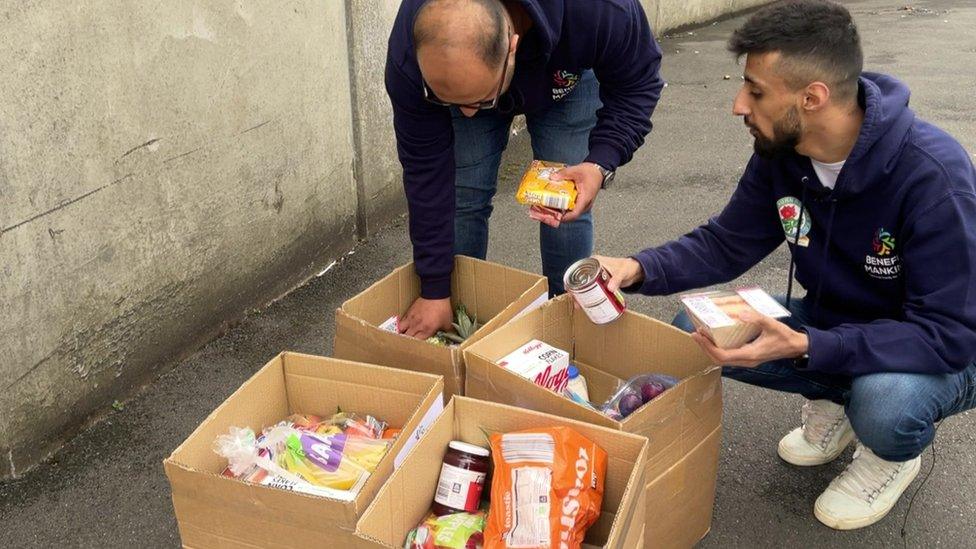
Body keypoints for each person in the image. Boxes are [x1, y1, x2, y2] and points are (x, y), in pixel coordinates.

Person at [596, 0, 976, 530]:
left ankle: (890, 455)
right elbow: (726, 243)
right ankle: (837, 399)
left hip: (936, 349)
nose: (737, 104)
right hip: (837, 325)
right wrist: (635, 268)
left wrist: (809, 345)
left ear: (812, 98)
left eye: (754, 90)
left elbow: (949, 335)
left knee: (887, 400)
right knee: (696, 325)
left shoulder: (934, 178)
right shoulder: (783, 154)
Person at [385, 0, 664, 338]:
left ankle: (568, 325)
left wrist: (599, 163)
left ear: (513, 45)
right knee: (465, 196)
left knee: (565, 200)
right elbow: (426, 173)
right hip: (474, 75)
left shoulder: (599, 10)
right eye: (448, 101)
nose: (468, 115)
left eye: (480, 102)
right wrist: (434, 289)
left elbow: (638, 84)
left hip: (565, 67)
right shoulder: (410, 54)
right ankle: (461, 326)